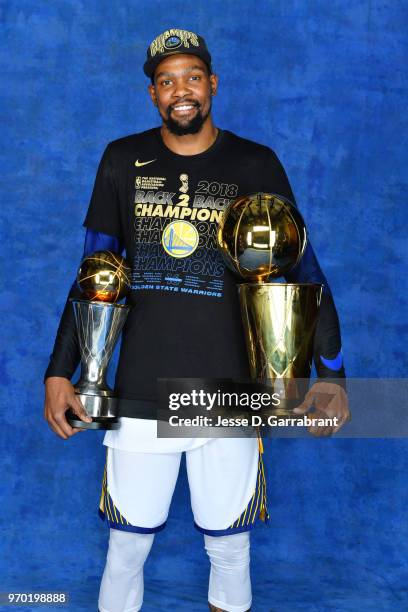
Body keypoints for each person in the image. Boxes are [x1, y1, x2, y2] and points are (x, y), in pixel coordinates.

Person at [44, 28, 350, 612]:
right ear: (152, 95)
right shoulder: (121, 159)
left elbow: (303, 269)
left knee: (229, 549)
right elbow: (95, 273)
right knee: (126, 548)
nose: (179, 90)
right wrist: (60, 370)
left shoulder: (255, 162)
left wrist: (332, 371)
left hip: (231, 389)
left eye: (191, 77)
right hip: (139, 387)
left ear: (211, 84)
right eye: (165, 82)